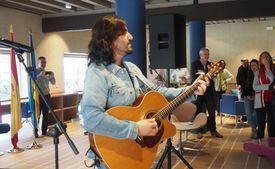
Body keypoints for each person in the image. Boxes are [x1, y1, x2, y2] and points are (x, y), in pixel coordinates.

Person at [78, 15, 208, 169]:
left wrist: (190, 90)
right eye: (124, 32)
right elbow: (90, 117)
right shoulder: (98, 71)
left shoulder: (131, 69)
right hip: (113, 153)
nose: (131, 36)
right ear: (111, 40)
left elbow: (158, 91)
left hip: (135, 150)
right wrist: (136, 129)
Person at [191, 47, 223, 139]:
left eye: (208, 54)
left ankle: (213, 131)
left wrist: (214, 75)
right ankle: (199, 131)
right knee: (199, 111)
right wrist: (204, 77)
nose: (207, 56)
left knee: (212, 111)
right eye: (205, 54)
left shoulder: (212, 65)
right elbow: (194, 77)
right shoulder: (195, 64)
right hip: (199, 92)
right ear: (200, 55)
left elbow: (214, 77)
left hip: (209, 92)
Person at [253, 51, 275, 139]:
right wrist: (269, 87)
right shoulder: (257, 72)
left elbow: (274, 81)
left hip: (272, 100)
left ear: (270, 58)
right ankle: (260, 145)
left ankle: (272, 144)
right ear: (260, 60)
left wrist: (268, 70)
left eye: (267, 57)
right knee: (261, 123)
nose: (265, 59)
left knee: (271, 123)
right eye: (263, 57)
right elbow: (255, 87)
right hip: (260, 100)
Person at [36, 56, 56, 137]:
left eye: (45, 62)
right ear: (38, 63)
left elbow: (53, 83)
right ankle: (36, 132)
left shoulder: (48, 72)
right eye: (42, 62)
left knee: (45, 114)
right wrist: (40, 75)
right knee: (38, 114)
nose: (43, 64)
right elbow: (34, 81)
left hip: (47, 95)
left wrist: (52, 77)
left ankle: (44, 131)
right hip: (38, 95)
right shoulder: (35, 71)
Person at [244, 59, 259, 139]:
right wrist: (247, 95)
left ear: (258, 65)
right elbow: (245, 86)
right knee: (249, 115)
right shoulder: (248, 74)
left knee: (255, 114)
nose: (253, 67)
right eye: (252, 65)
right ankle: (253, 130)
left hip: (257, 97)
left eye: (255, 65)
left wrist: (254, 95)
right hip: (247, 97)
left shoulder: (260, 75)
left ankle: (255, 130)